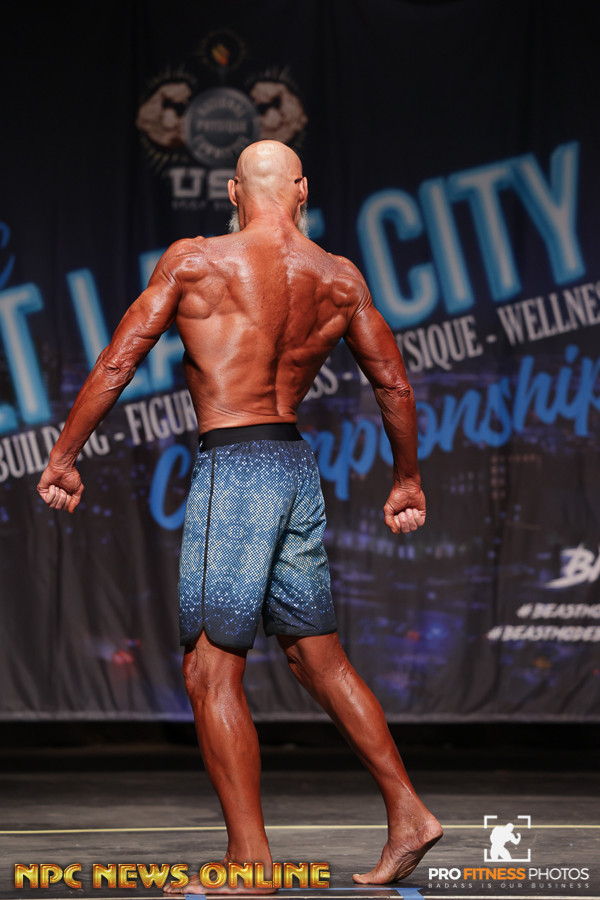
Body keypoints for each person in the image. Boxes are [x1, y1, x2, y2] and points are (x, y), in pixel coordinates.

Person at [37, 140, 442, 892]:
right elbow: (394, 384)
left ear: (232, 191)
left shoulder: (197, 261)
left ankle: (249, 864)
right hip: (294, 469)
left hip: (238, 470)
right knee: (317, 659)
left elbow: (119, 360)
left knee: (208, 669)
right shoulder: (339, 278)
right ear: (302, 190)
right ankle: (409, 812)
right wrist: (407, 478)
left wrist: (64, 455)